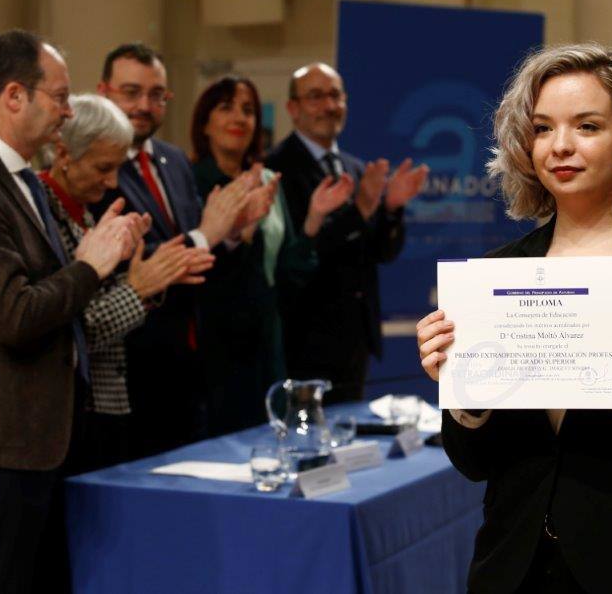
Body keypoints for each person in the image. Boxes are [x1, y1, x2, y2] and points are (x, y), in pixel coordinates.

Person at [416, 43, 612, 593]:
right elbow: (473, 463)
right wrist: (464, 395)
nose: (560, 146)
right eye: (543, 128)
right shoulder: (495, 276)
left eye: (587, 126)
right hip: (514, 569)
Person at [0, 30, 142, 593]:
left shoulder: (21, 179)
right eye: (61, 97)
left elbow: (49, 297)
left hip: (37, 438)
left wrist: (106, 260)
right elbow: (15, 315)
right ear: (14, 95)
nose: (69, 113)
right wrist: (91, 267)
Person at [94, 42, 261, 457]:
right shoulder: (97, 166)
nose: (144, 106)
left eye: (156, 95)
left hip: (192, 370)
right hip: (134, 370)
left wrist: (230, 233)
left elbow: (201, 263)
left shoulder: (173, 160)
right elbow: (141, 259)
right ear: (104, 92)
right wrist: (207, 233)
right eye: (131, 93)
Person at [39, 93, 215, 471]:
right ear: (64, 153)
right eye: (104, 167)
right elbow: (71, 332)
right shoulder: (42, 219)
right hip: (69, 417)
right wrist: (138, 289)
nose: (113, 181)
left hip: (107, 410)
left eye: (118, 167)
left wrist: (138, 280)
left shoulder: (85, 213)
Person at [189, 76, 353, 434]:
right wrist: (238, 232)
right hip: (216, 339)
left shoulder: (266, 179)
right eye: (226, 108)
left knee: (270, 434)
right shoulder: (190, 180)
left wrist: (313, 219)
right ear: (204, 122)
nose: (240, 118)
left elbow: (286, 270)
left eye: (248, 110)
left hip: (268, 337)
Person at [266, 63, 428, 403]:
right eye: (315, 96)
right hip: (304, 342)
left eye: (335, 95)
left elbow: (379, 253)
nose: (329, 105)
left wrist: (391, 209)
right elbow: (297, 256)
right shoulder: (276, 170)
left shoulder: (354, 168)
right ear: (292, 109)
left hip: (356, 341)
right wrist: (360, 212)